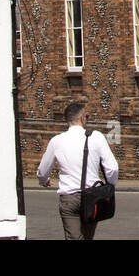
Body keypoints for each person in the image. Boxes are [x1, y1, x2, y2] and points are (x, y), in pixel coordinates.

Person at [36, 101, 118, 240]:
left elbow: (43, 171)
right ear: (82, 118)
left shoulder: (57, 141)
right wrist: (110, 186)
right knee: (87, 237)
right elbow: (112, 168)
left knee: (74, 237)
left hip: (69, 198)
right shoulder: (96, 137)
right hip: (93, 196)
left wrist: (44, 181)